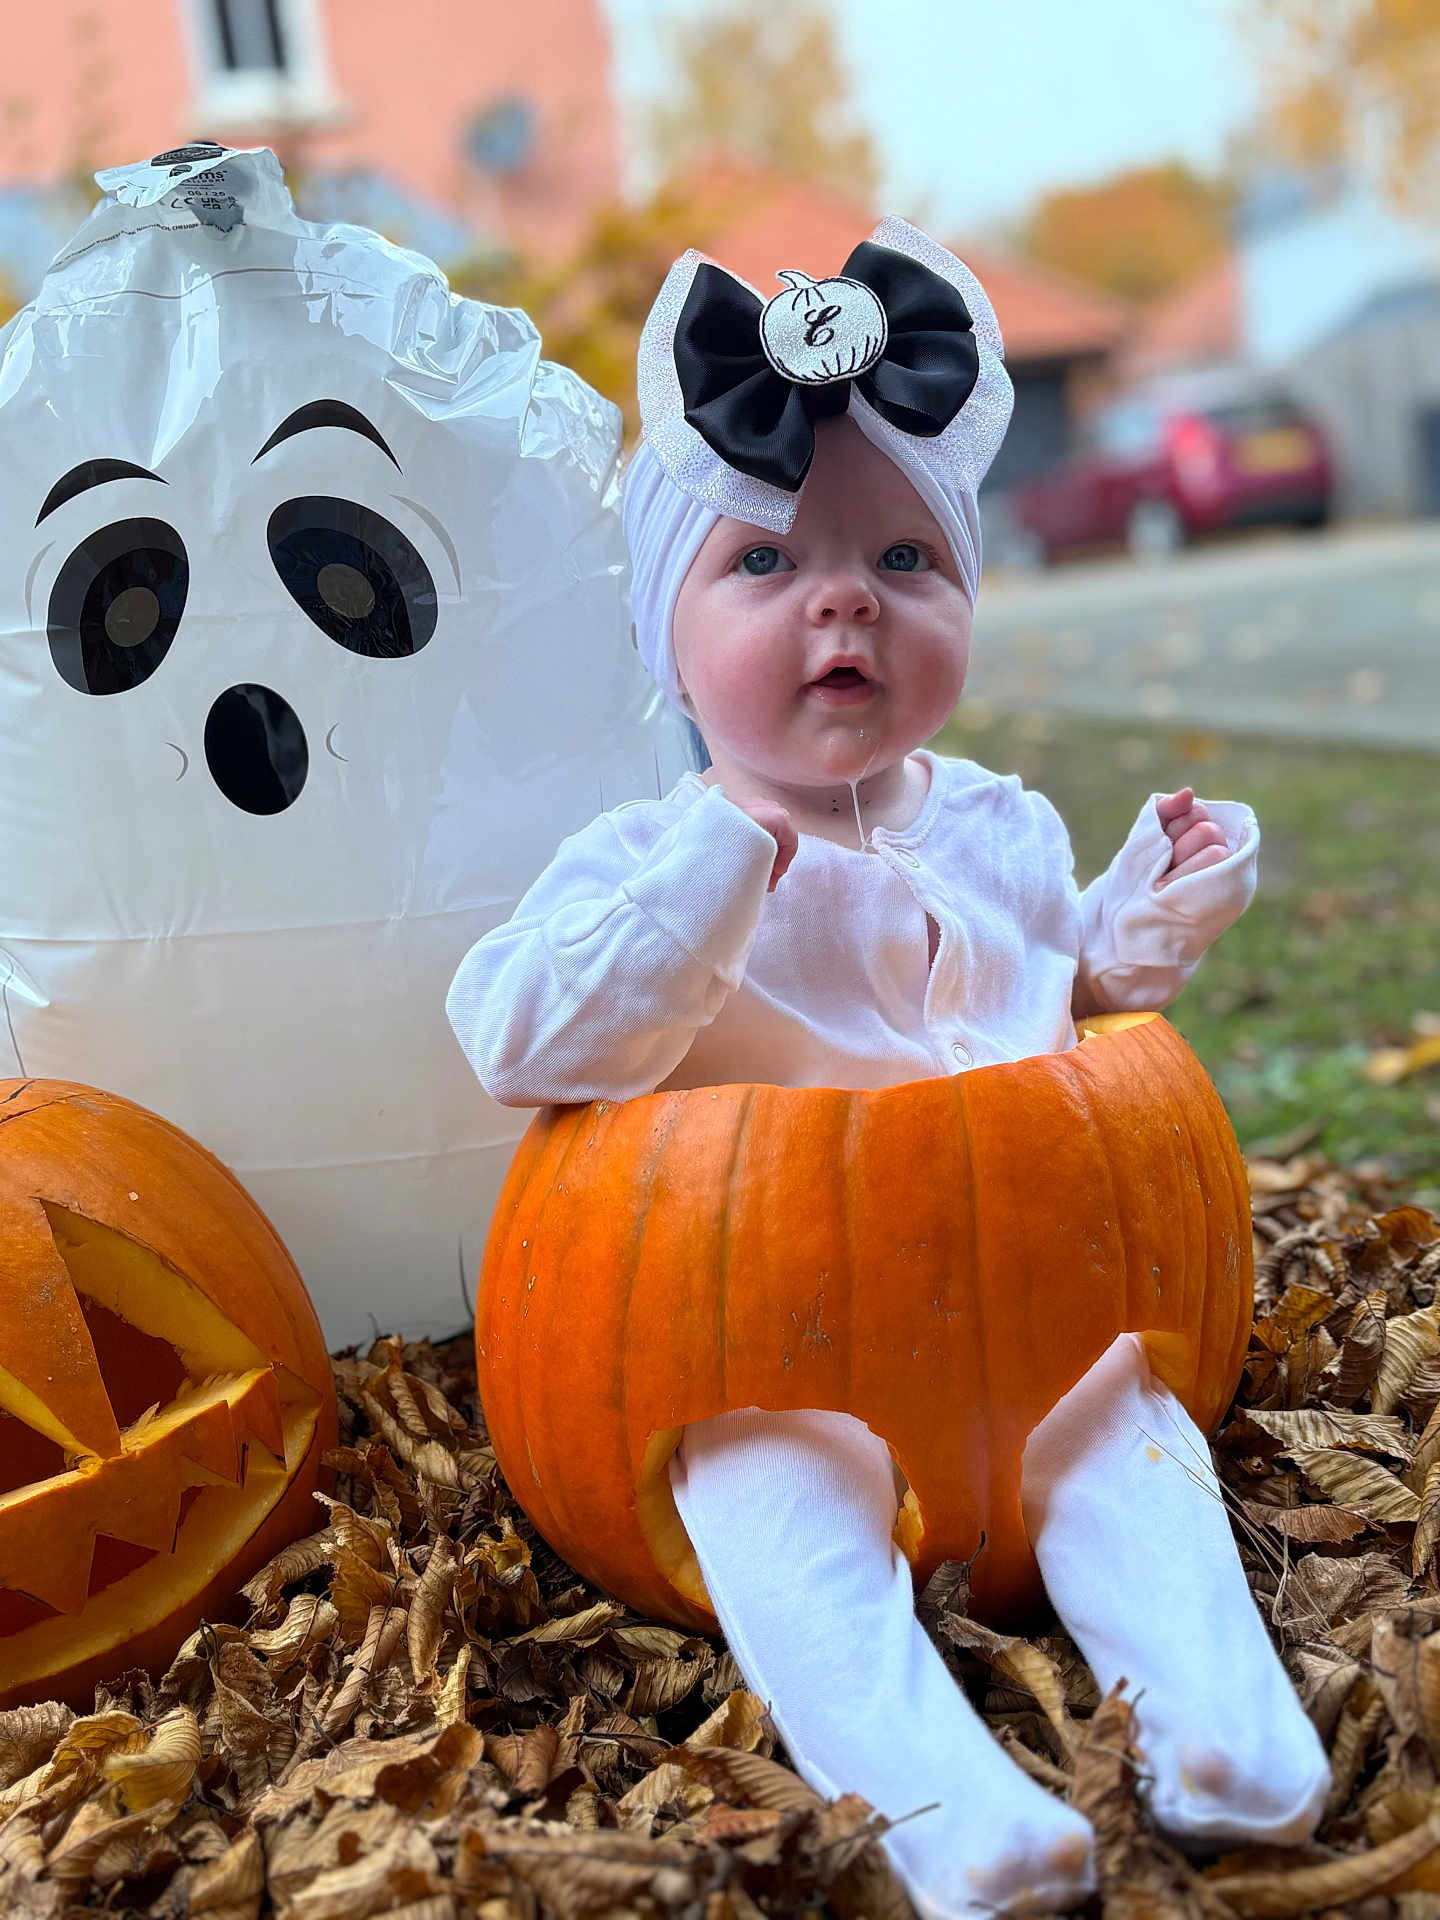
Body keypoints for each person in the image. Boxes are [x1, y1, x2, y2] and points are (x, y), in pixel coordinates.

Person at [446, 217, 1330, 1918]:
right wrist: (714, 881)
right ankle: (934, 1799)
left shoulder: (998, 821)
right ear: (670, 636)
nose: (841, 598)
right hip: (755, 1326)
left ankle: (1220, 1721)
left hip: (1037, 1303)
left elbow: (1055, 992)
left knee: (1136, 1445)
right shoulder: (642, 853)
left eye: (904, 562)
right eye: (764, 564)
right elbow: (519, 1039)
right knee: (780, 1504)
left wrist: (1140, 915)